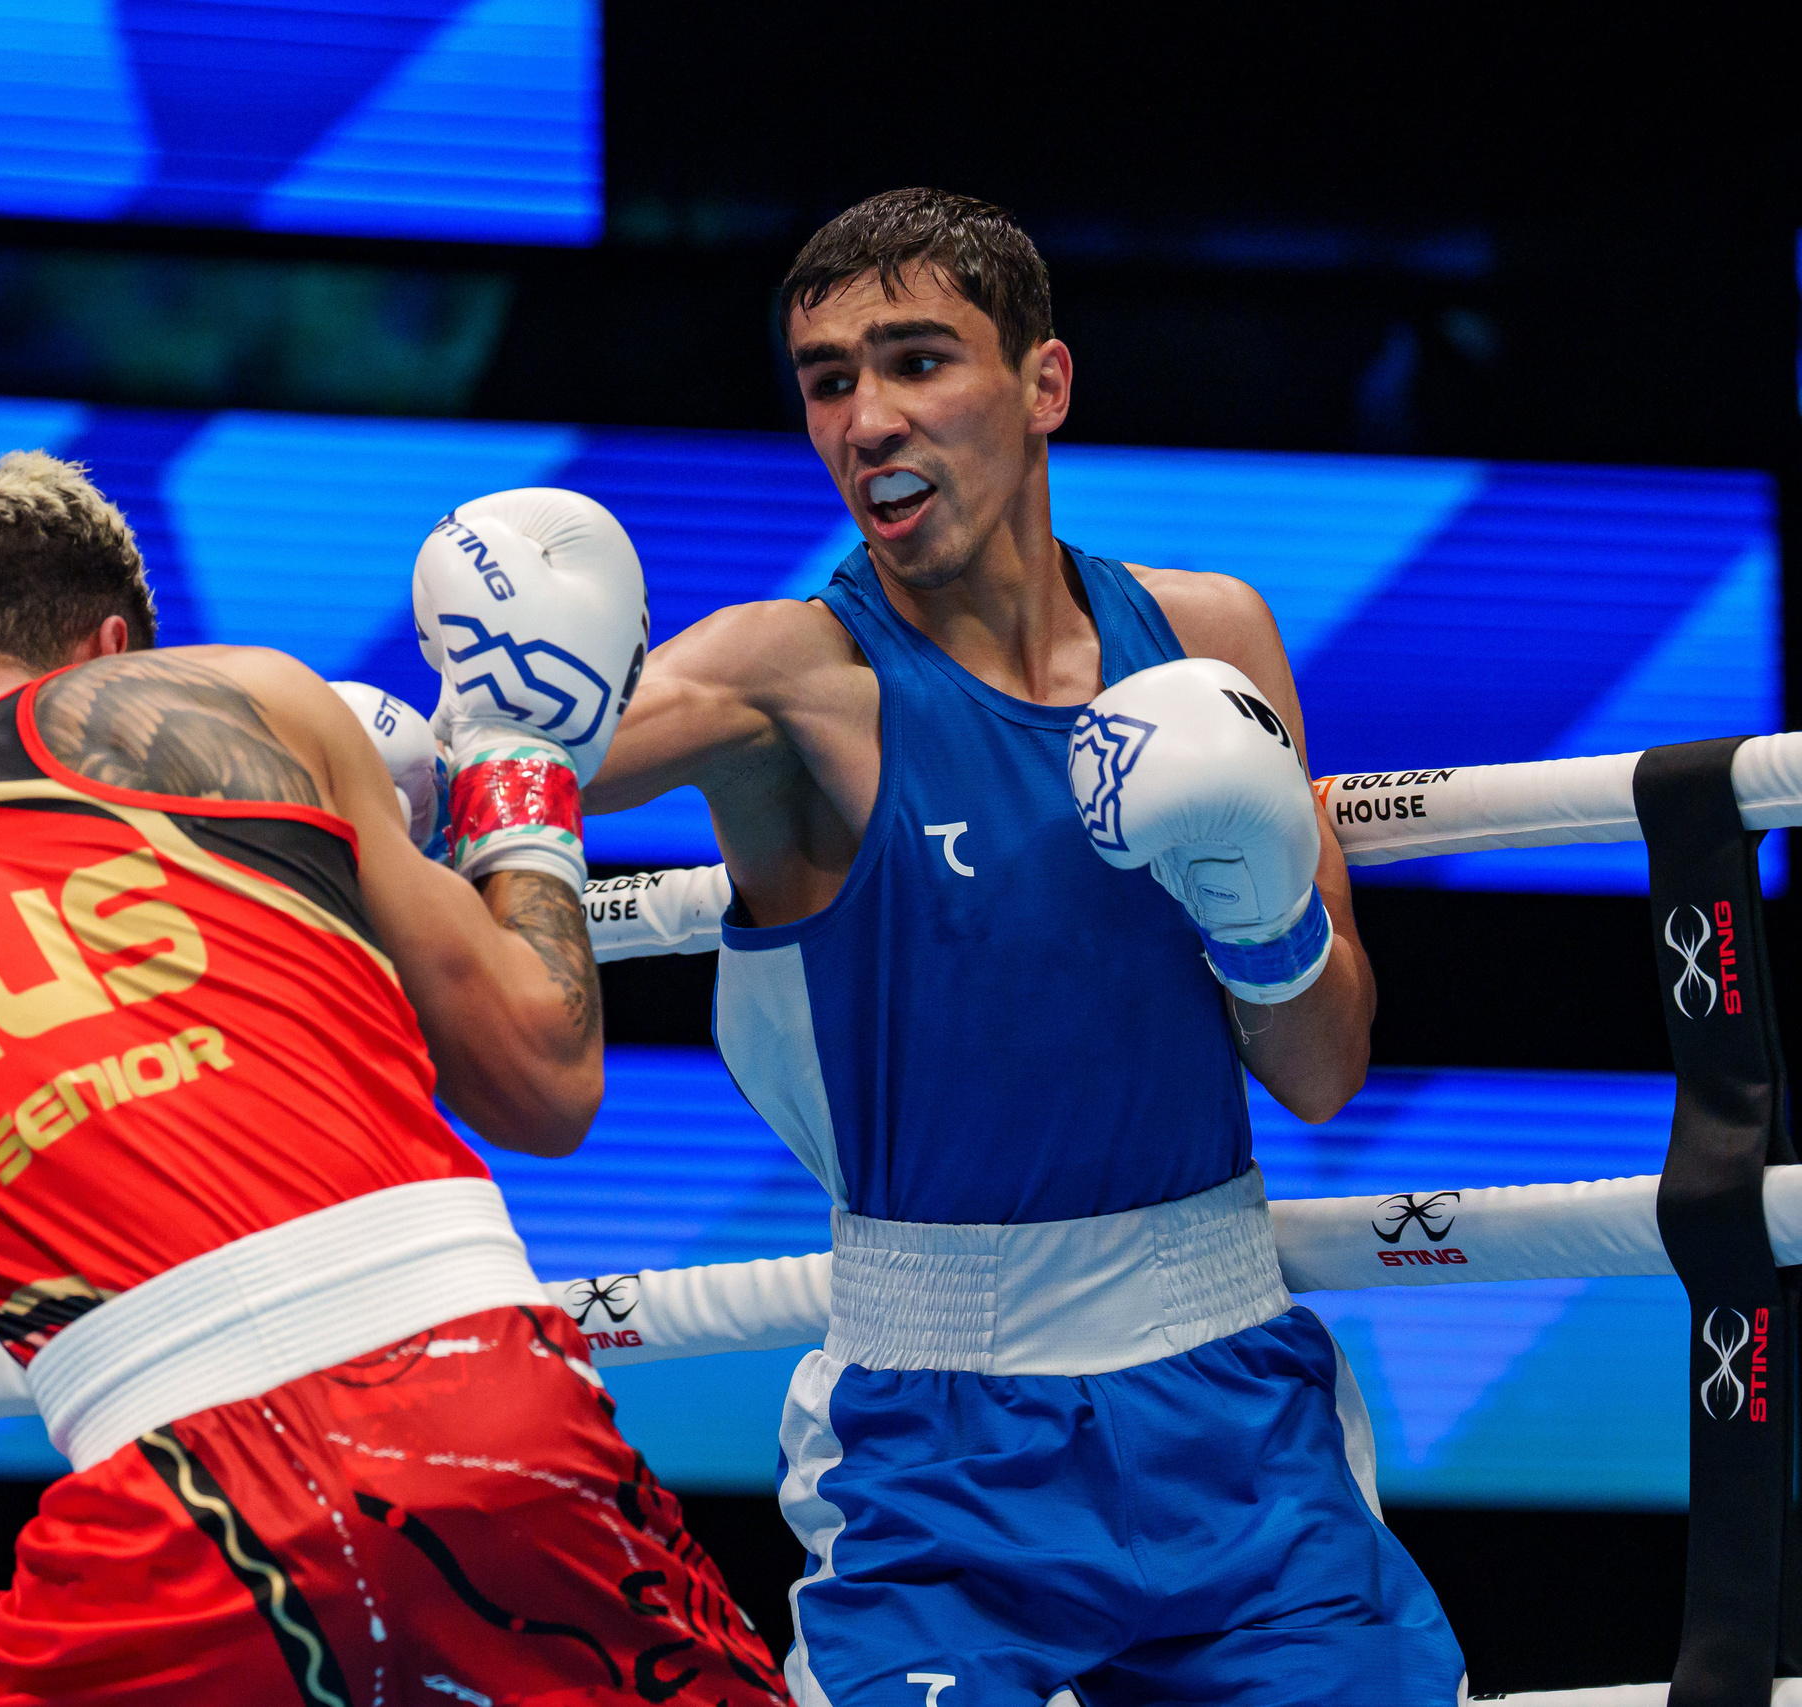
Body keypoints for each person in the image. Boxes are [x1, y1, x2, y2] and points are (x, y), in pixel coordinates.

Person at [0, 445, 783, 1706]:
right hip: (480, 1402)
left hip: (163, 1505)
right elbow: (543, 1075)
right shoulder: (244, 705)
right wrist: (507, 760)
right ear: (116, 650)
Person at [582, 190, 1465, 1704]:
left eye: (917, 360)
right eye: (830, 379)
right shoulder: (787, 678)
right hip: (938, 1438)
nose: (868, 418)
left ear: (1045, 385)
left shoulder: (1209, 641)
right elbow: (519, 776)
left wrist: (1262, 915)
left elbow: (1323, 1069)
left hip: (1233, 1404)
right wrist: (496, 691)